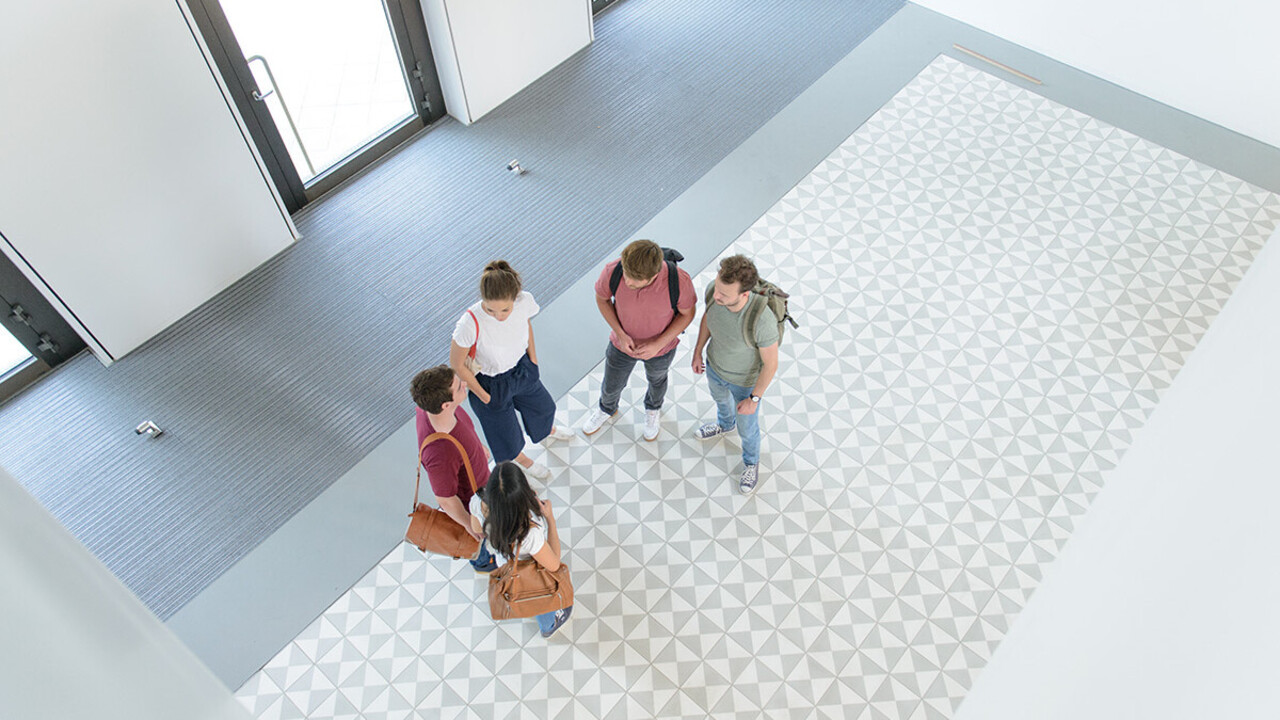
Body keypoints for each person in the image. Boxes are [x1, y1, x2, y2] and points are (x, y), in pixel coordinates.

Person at [450, 261, 571, 480]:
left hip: (521, 369)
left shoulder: (524, 301)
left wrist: (533, 360)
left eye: (505, 309)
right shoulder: (469, 323)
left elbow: (526, 325)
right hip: (490, 382)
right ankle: (524, 461)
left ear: (515, 297)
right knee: (505, 434)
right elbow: (457, 364)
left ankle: (546, 431)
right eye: (490, 310)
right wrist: (484, 396)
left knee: (544, 408)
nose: (499, 316)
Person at [581, 239, 696, 440]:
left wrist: (658, 344)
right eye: (627, 275)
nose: (628, 282)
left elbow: (687, 314)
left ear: (654, 275)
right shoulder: (613, 271)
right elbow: (602, 299)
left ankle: (653, 409)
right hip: (621, 345)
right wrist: (620, 333)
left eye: (636, 280)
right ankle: (606, 408)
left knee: (657, 380)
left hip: (661, 349)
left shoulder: (679, 281)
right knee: (611, 383)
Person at [692, 255, 780, 494]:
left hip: (744, 383)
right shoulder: (714, 291)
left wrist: (754, 399)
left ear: (744, 294)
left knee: (748, 429)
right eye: (717, 288)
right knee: (721, 401)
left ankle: (751, 463)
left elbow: (771, 365)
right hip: (714, 367)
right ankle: (724, 424)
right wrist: (698, 351)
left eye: (724, 294)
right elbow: (708, 318)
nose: (717, 296)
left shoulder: (762, 321)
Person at [410, 364, 497, 573]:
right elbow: (445, 499)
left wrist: (477, 447)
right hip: (473, 504)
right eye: (459, 387)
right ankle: (483, 563)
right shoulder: (440, 453)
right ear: (446, 405)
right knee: (480, 542)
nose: (464, 384)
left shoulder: (429, 409)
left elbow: (463, 434)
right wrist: (469, 525)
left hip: (482, 482)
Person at [475, 462, 573, 638]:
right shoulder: (528, 533)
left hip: (504, 563)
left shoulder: (477, 503)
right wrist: (550, 519)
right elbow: (554, 564)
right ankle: (549, 624)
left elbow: (476, 530)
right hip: (530, 574)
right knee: (541, 594)